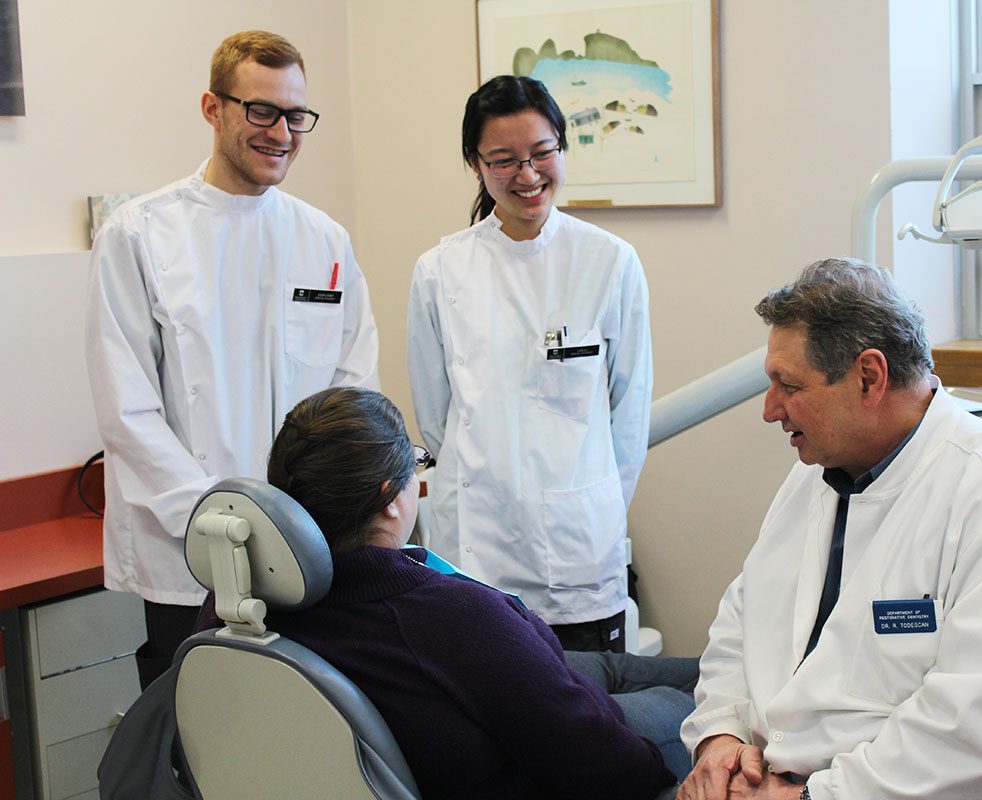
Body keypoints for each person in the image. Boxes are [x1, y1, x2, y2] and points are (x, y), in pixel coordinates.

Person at [677, 258, 982, 799]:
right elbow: (739, 627)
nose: (771, 410)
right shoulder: (814, 477)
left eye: (788, 386)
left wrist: (808, 797)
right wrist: (721, 738)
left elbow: (980, 735)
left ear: (869, 377)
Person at [195, 386, 691, 799]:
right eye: (417, 465)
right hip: (531, 751)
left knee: (611, 667)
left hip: (478, 692)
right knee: (692, 701)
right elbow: (606, 768)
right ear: (390, 500)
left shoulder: (238, 602)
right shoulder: (447, 617)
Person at [84, 30, 379, 690]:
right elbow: (127, 410)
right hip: (187, 555)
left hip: (307, 549)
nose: (281, 132)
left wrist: (311, 520)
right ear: (212, 108)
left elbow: (352, 389)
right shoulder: (139, 234)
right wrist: (222, 527)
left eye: (296, 116)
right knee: (196, 752)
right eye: (261, 111)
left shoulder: (323, 240)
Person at [407, 75, 653, 652]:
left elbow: (629, 413)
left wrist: (589, 510)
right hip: (474, 545)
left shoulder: (609, 262)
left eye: (542, 154)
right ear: (475, 164)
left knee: (589, 723)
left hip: (577, 558)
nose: (527, 174)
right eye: (504, 160)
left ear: (563, 148)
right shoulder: (440, 270)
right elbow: (435, 419)